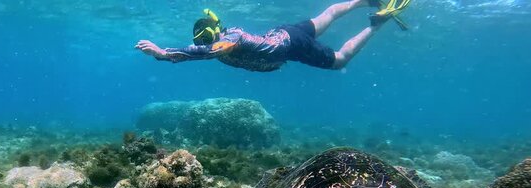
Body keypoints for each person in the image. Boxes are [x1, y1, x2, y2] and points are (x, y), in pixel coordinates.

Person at [135, 0, 410, 72]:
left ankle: (377, 24)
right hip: (285, 34)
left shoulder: (229, 40)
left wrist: (163, 54)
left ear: (215, 33)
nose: (207, 45)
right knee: (326, 16)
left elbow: (210, 52)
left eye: (208, 39)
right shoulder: (229, 35)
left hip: (292, 46)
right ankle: (364, 0)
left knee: (340, 60)